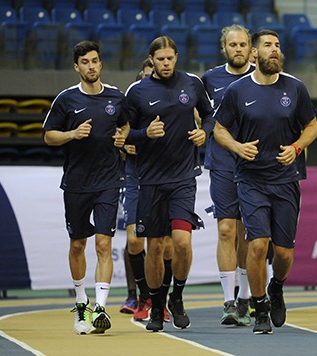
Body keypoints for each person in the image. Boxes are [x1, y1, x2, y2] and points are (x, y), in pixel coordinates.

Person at [213, 29, 317, 334]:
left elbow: (312, 126)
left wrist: (297, 147)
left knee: (283, 253)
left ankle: (276, 287)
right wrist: (237, 147)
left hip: (286, 180)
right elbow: (219, 129)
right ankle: (259, 308)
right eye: (268, 46)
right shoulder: (238, 90)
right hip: (250, 179)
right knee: (257, 246)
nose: (274, 50)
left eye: (277, 45)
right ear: (254, 54)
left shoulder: (295, 88)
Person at [124, 35, 213, 332]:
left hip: (184, 178)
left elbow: (211, 115)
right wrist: (144, 134)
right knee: (155, 245)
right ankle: (156, 304)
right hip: (150, 180)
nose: (165, 63)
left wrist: (205, 134)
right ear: (151, 60)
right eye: (160, 59)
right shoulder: (137, 91)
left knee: (182, 243)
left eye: (170, 58)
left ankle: (177, 296)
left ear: (176, 57)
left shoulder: (192, 83)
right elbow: (125, 135)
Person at [43, 40, 130, 335]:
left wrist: (122, 137)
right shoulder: (66, 100)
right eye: (85, 62)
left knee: (104, 244)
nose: (91, 66)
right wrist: (72, 134)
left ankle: (102, 309)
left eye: (95, 61)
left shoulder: (117, 98)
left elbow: (127, 126)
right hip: (77, 183)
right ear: (76, 67)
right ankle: (82, 304)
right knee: (78, 244)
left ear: (100, 64)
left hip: (109, 180)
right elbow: (49, 137)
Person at [201, 24, 255, 327]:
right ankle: (229, 301)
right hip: (221, 162)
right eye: (232, 44)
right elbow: (202, 118)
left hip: (254, 164)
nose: (238, 49)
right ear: (224, 48)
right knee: (226, 230)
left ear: (251, 48)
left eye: (243, 44)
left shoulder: (260, 78)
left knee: (248, 234)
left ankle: (247, 296)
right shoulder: (210, 79)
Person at [119, 57, 173, 322]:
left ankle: (162, 299)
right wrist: (124, 145)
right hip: (136, 177)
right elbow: (117, 134)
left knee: (165, 245)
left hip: (165, 177)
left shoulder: (171, 99)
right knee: (134, 240)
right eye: (147, 73)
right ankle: (142, 295)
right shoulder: (132, 100)